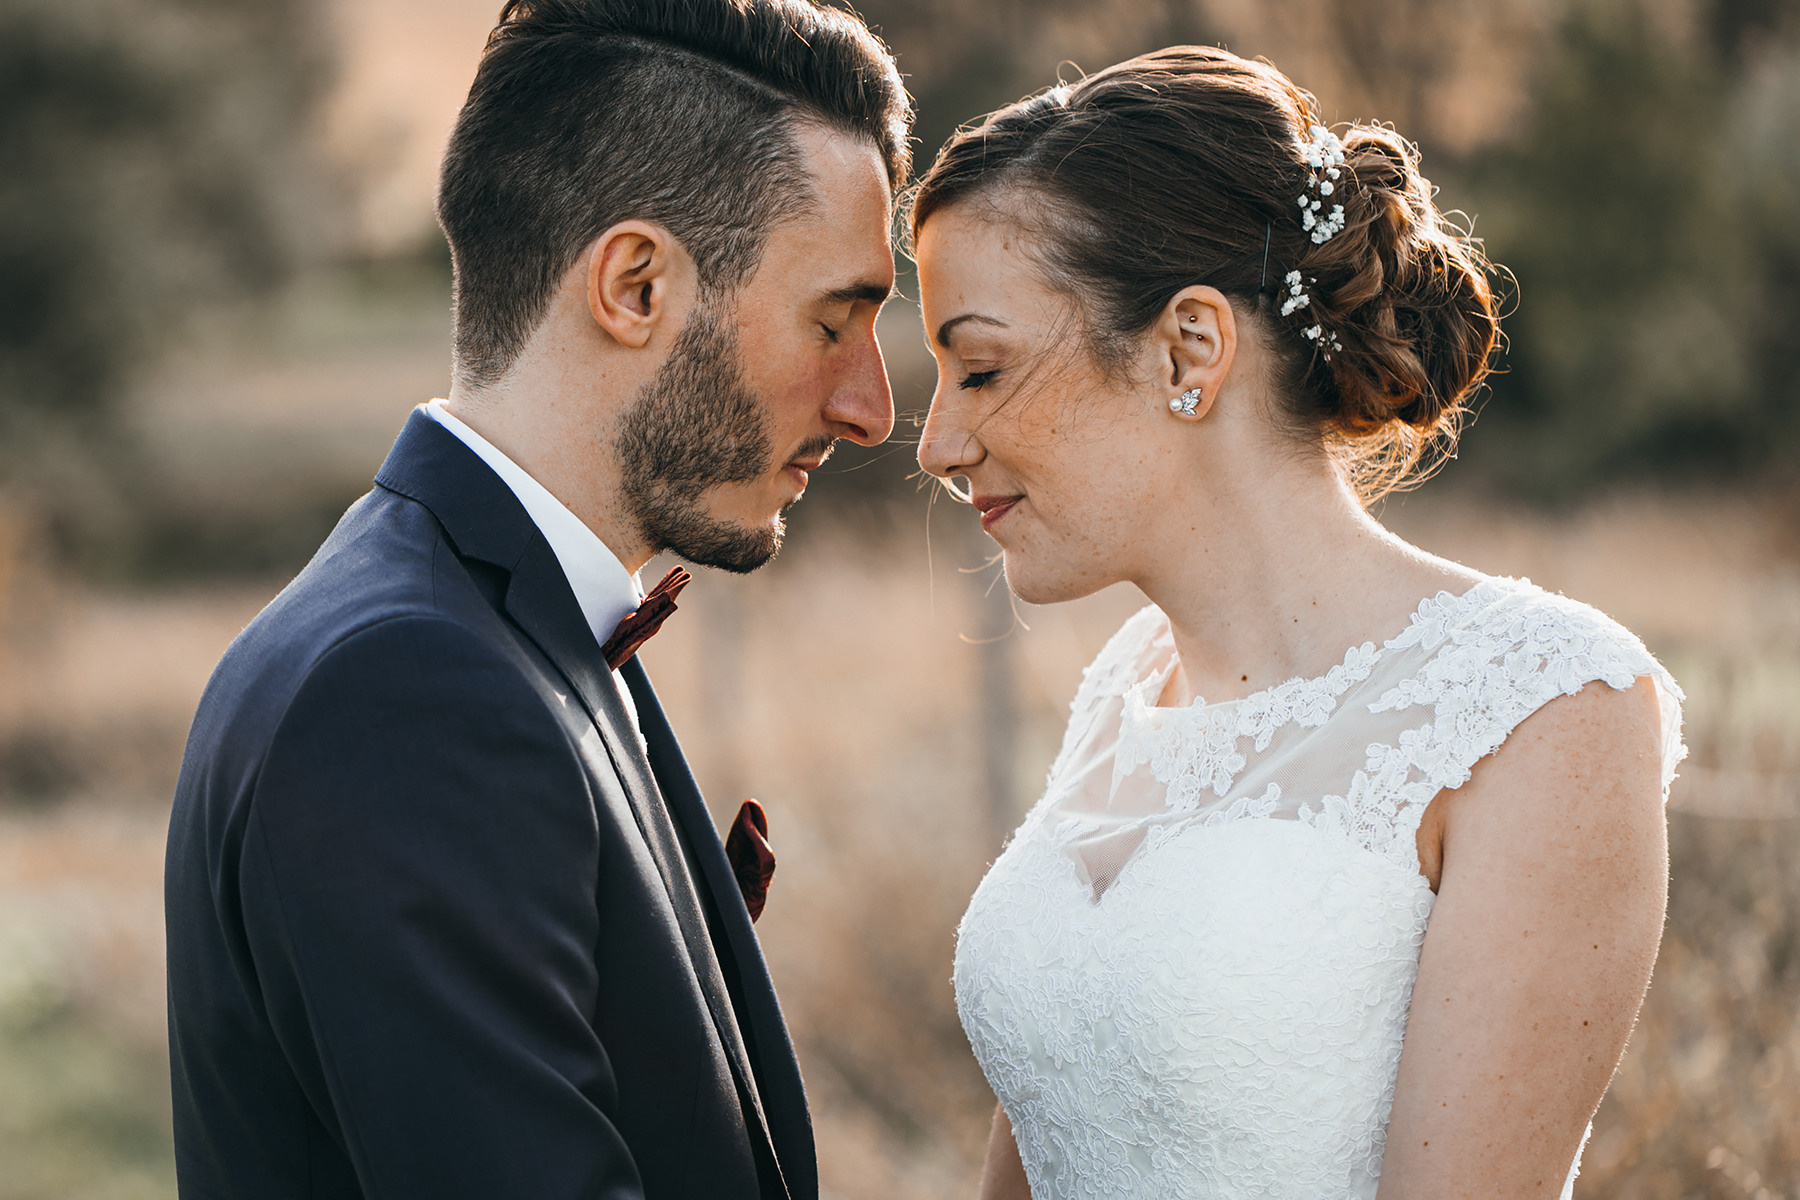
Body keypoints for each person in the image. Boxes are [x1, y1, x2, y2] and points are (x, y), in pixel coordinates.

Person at [163, 2, 909, 1197]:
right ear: (634, 284)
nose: (872, 406)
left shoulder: (481, 624)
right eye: (834, 320)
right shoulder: (403, 695)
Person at [912, 47, 1683, 1200]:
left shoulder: (1545, 710)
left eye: (978, 369)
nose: (935, 445)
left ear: (1189, 348)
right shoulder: (1128, 688)